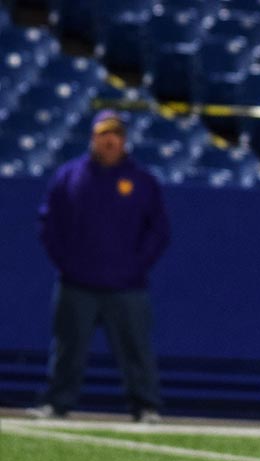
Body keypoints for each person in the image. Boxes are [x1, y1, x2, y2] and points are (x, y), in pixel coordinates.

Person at [29, 110, 170, 423]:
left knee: (136, 348)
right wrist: (67, 262)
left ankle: (145, 404)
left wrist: (135, 265)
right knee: (68, 348)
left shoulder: (141, 181)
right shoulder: (69, 176)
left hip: (127, 285)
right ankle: (57, 401)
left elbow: (158, 230)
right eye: (104, 134)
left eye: (116, 134)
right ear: (93, 138)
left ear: (124, 141)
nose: (110, 140)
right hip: (77, 282)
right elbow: (49, 224)